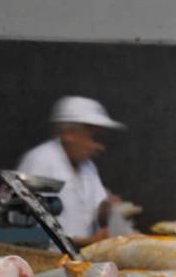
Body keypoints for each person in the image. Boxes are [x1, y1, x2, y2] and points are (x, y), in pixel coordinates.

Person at [17, 96, 125, 248]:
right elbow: (29, 229)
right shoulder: (40, 160)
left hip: (81, 260)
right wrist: (85, 242)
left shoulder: (88, 167)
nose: (100, 147)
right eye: (93, 137)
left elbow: (98, 208)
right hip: (47, 262)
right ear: (69, 134)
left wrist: (107, 208)